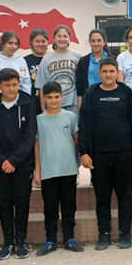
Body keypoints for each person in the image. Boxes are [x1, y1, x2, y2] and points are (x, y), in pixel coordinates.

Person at [79, 57, 132, 251]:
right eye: (104, 71)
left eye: (112, 71)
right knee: (102, 196)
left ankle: (125, 234)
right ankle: (103, 234)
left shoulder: (125, 92)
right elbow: (84, 124)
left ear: (117, 73)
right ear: (99, 73)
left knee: (125, 196)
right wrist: (84, 152)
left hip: (124, 153)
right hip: (99, 154)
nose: (108, 75)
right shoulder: (91, 93)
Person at [0, 68, 36, 260]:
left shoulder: (28, 103)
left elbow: (30, 135)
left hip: (22, 164)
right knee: (4, 203)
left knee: (22, 203)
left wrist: (14, 160)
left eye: (15, 84)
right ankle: (8, 242)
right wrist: (3, 160)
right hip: (0, 164)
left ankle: (20, 242)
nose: (11, 88)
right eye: (7, 85)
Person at [33, 82, 83, 254]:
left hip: (68, 169)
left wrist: (81, 161)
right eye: (49, 97)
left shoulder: (70, 117)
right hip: (48, 171)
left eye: (56, 97)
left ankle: (70, 238)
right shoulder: (39, 120)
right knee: (50, 207)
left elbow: (76, 141)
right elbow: (37, 146)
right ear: (44, 99)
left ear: (62, 97)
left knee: (69, 205)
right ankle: (50, 240)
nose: (53, 100)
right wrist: (37, 170)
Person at [37, 24, 82, 114]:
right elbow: (42, 85)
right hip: (53, 104)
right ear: (54, 38)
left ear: (69, 39)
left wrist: (80, 105)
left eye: (65, 36)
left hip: (72, 103)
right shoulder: (46, 59)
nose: (62, 39)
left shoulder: (77, 56)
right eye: (59, 36)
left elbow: (82, 84)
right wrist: (43, 108)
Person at [0, 31, 32, 104]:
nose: (13, 46)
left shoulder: (21, 61)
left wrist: (25, 102)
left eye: (16, 44)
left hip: (17, 103)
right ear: (3, 44)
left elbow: (25, 83)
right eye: (10, 43)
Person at [75, 29, 110, 105]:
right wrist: (80, 106)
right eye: (93, 41)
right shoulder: (83, 61)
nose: (96, 43)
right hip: (89, 101)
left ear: (104, 42)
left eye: (99, 40)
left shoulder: (112, 60)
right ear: (90, 43)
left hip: (108, 100)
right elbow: (79, 87)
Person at [24, 28, 49, 96]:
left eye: (43, 41)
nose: (40, 44)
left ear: (47, 42)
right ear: (32, 43)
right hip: (31, 99)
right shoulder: (24, 61)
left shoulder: (52, 59)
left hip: (50, 98)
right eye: (37, 41)